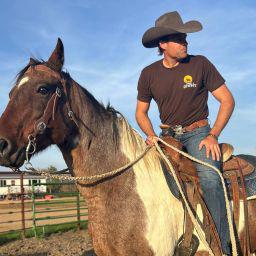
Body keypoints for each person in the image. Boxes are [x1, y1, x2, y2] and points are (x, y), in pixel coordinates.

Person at [135, 11, 235, 255]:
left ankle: (223, 247)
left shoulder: (200, 63)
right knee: (146, 180)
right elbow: (141, 113)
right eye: (178, 39)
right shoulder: (148, 74)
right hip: (167, 136)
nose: (185, 43)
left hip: (199, 132)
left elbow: (227, 100)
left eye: (185, 38)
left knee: (211, 178)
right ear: (163, 44)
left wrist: (214, 135)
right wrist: (150, 135)